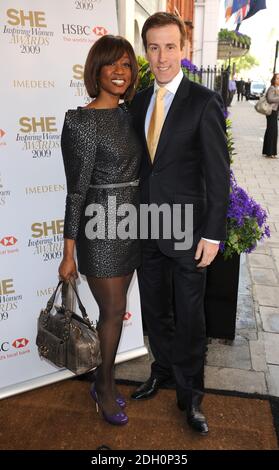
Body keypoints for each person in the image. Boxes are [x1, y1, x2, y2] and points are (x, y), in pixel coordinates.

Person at [130, 12, 230, 435]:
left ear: (184, 49)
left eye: (170, 46)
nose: (161, 56)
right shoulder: (137, 102)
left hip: (189, 233)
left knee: (190, 317)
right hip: (146, 227)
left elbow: (217, 173)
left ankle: (190, 396)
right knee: (155, 311)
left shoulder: (203, 101)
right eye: (153, 47)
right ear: (145, 50)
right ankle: (163, 369)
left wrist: (212, 233)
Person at [58, 35, 142, 426]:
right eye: (111, 64)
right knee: (112, 310)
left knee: (117, 310)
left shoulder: (131, 114)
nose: (120, 71)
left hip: (134, 224)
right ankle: (103, 386)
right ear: (97, 71)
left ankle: (103, 379)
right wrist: (68, 252)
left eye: (126, 64)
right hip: (101, 228)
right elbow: (76, 191)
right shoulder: (82, 121)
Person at [262, 73, 279, 159]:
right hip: (271, 112)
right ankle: (270, 152)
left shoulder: (276, 88)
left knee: (270, 131)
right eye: (277, 79)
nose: (278, 80)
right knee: (272, 131)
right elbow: (270, 99)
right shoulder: (272, 88)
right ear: (273, 80)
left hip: (274, 112)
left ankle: (267, 151)